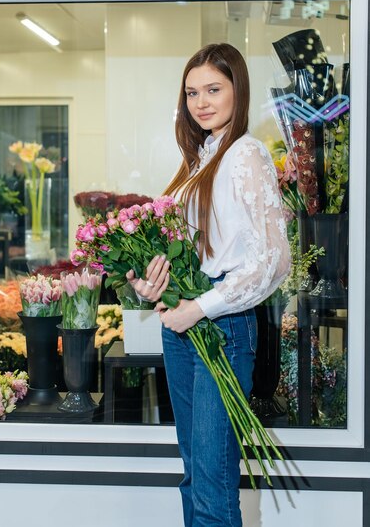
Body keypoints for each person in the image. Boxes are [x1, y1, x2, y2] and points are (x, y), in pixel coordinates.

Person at [126, 43, 291, 527]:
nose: (201, 102)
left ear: (237, 89)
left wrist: (199, 307)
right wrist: (151, 283)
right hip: (183, 324)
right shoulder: (200, 156)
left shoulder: (245, 153)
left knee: (213, 485)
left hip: (221, 325)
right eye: (192, 92)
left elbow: (273, 260)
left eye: (213, 89)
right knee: (196, 477)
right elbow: (193, 251)